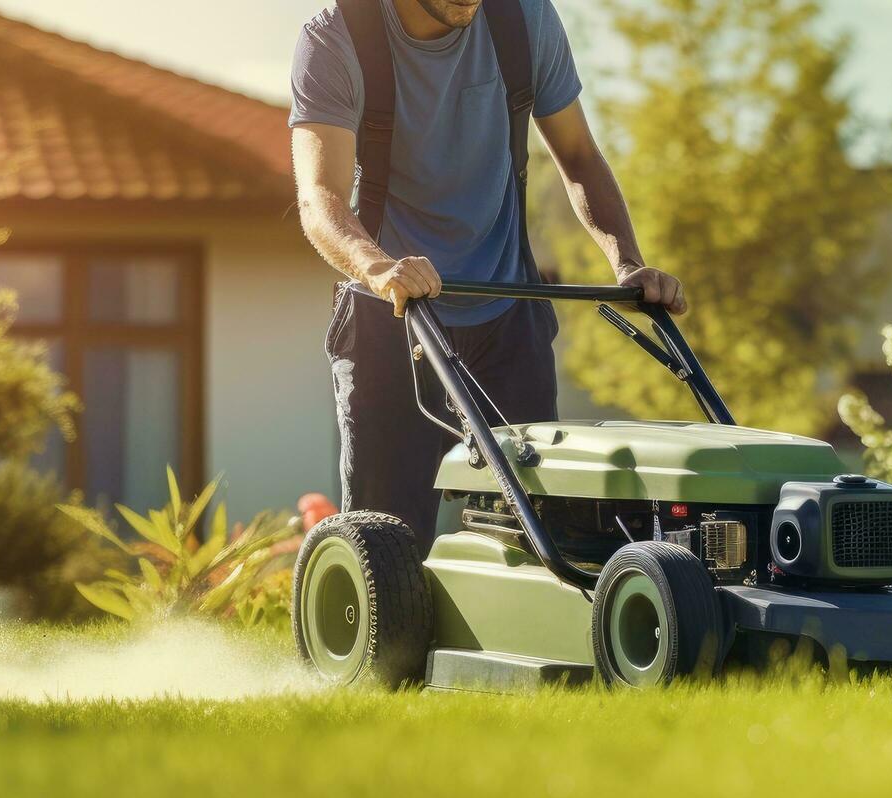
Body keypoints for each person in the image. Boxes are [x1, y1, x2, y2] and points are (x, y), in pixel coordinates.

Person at [288, 0, 683, 540]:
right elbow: (320, 196)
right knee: (386, 545)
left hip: (508, 319)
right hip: (392, 321)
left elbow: (580, 158)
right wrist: (378, 268)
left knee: (550, 538)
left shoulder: (522, 21)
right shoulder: (338, 40)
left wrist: (628, 263)